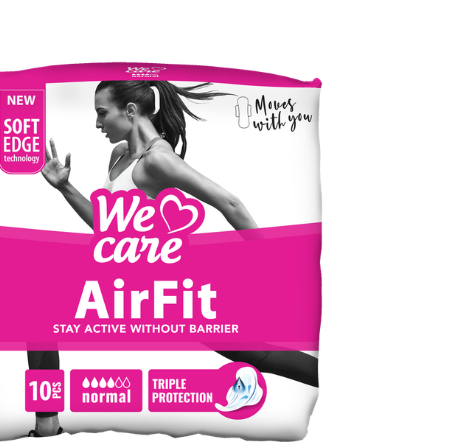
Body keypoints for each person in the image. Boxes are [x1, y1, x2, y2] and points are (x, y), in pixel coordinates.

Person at [39, 80, 318, 390]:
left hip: (170, 290)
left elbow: (230, 203)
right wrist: (65, 187)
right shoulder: (120, 155)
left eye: (102, 112)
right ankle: (48, 415)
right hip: (131, 287)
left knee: (255, 354)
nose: (97, 123)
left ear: (130, 110)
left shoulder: (157, 159)